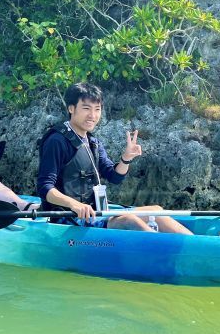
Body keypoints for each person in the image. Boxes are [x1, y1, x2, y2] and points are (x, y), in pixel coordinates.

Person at [36, 82, 193, 234]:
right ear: (71, 108)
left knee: (157, 211)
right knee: (129, 221)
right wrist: (74, 205)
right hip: (68, 218)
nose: (93, 115)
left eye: (97, 109)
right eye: (86, 108)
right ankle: (167, 257)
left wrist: (126, 158)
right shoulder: (56, 141)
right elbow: (45, 187)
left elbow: (114, 176)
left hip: (95, 212)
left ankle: (190, 248)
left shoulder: (92, 142)